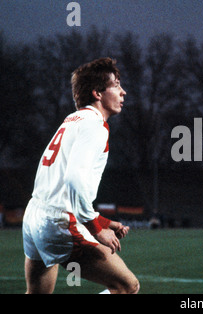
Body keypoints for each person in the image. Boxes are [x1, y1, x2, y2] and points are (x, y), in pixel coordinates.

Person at [22, 58, 140, 294]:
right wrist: (97, 228)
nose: (123, 91)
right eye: (116, 85)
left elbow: (61, 187)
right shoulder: (94, 125)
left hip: (34, 215)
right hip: (58, 222)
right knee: (126, 287)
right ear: (97, 93)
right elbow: (74, 180)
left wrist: (104, 221)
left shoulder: (72, 120)